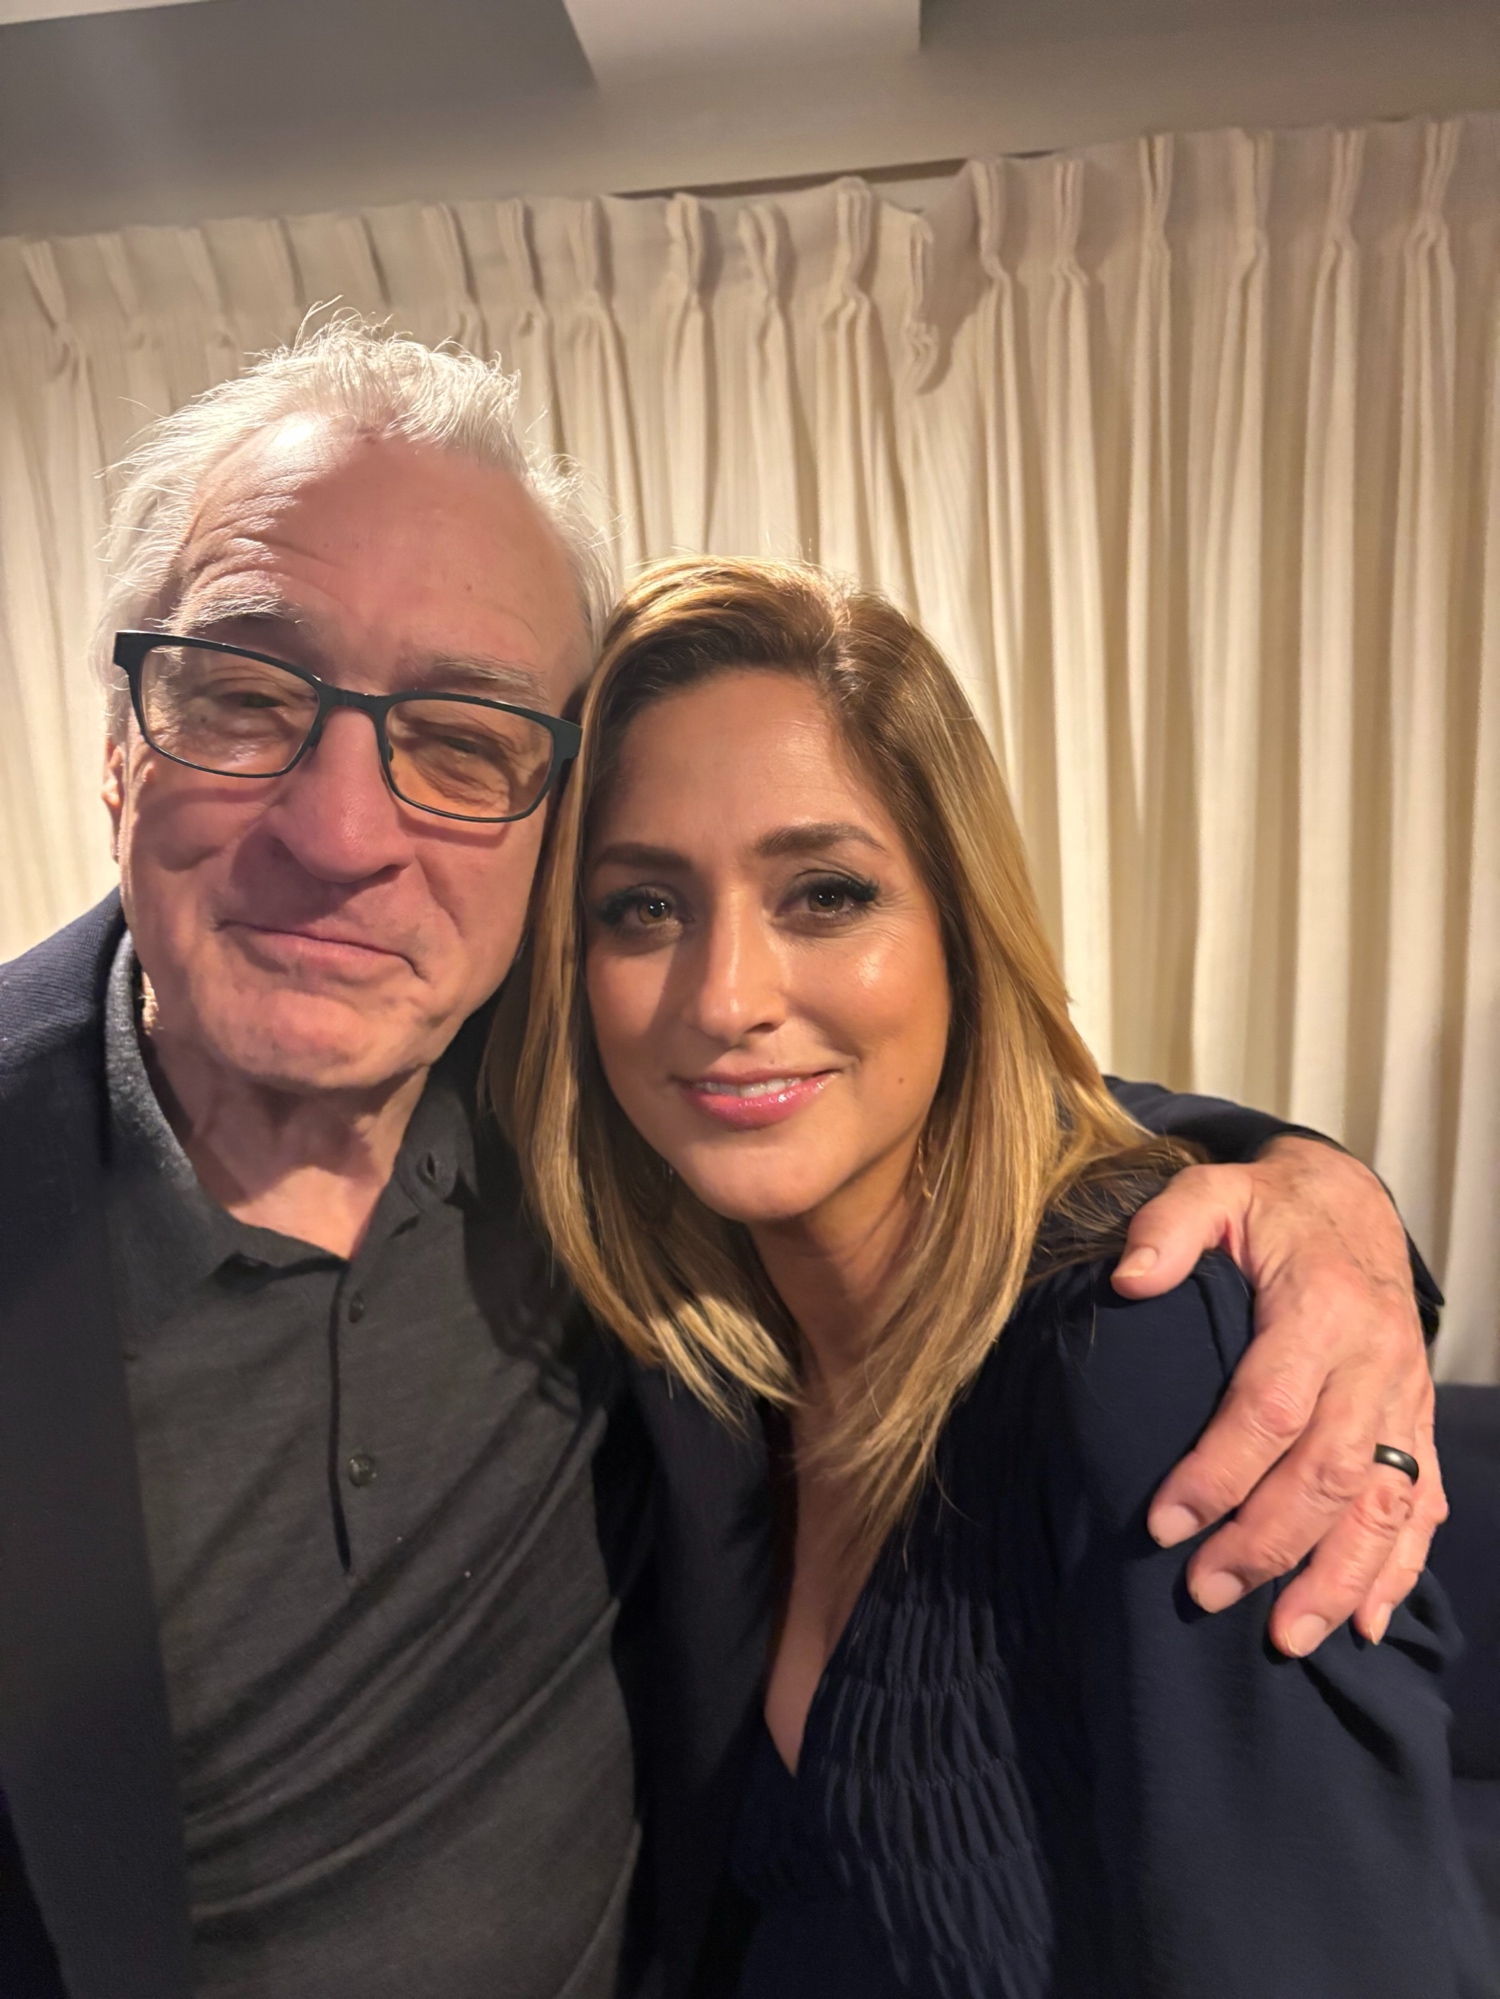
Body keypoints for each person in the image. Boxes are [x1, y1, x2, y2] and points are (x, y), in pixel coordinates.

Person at [0, 323, 1444, 1999]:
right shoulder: (604, 1120)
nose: (341, 836)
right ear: (119, 741)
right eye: (245, 697)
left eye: (461, 738)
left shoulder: (568, 1097)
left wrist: (1310, 1194)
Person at [505, 556, 1494, 1998]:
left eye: (826, 894)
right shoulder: (690, 1362)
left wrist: (1319, 1195)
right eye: (643, 907)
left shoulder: (1147, 1352)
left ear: (964, 933)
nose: (725, 998)